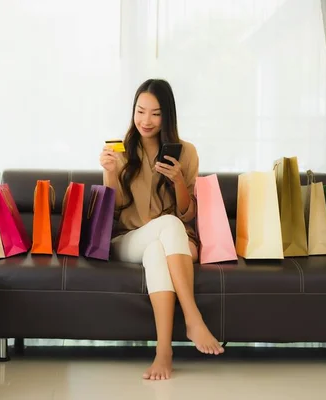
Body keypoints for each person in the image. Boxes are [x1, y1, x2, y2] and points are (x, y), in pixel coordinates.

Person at [99, 79, 224, 381]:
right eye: (140, 111)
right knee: (166, 226)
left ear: (167, 116)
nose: (145, 120)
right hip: (127, 239)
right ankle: (193, 317)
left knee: (160, 244)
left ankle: (163, 352)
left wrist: (179, 180)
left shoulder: (187, 152)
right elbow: (110, 213)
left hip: (172, 242)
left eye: (155, 114)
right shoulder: (120, 151)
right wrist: (109, 174)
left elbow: (188, 213)